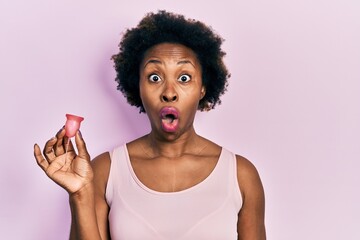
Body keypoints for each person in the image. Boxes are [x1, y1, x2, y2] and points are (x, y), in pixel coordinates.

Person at [34, 10, 266, 240]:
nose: (169, 92)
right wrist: (80, 195)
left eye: (184, 78)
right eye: (155, 77)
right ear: (138, 88)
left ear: (203, 88)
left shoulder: (240, 175)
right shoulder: (106, 170)